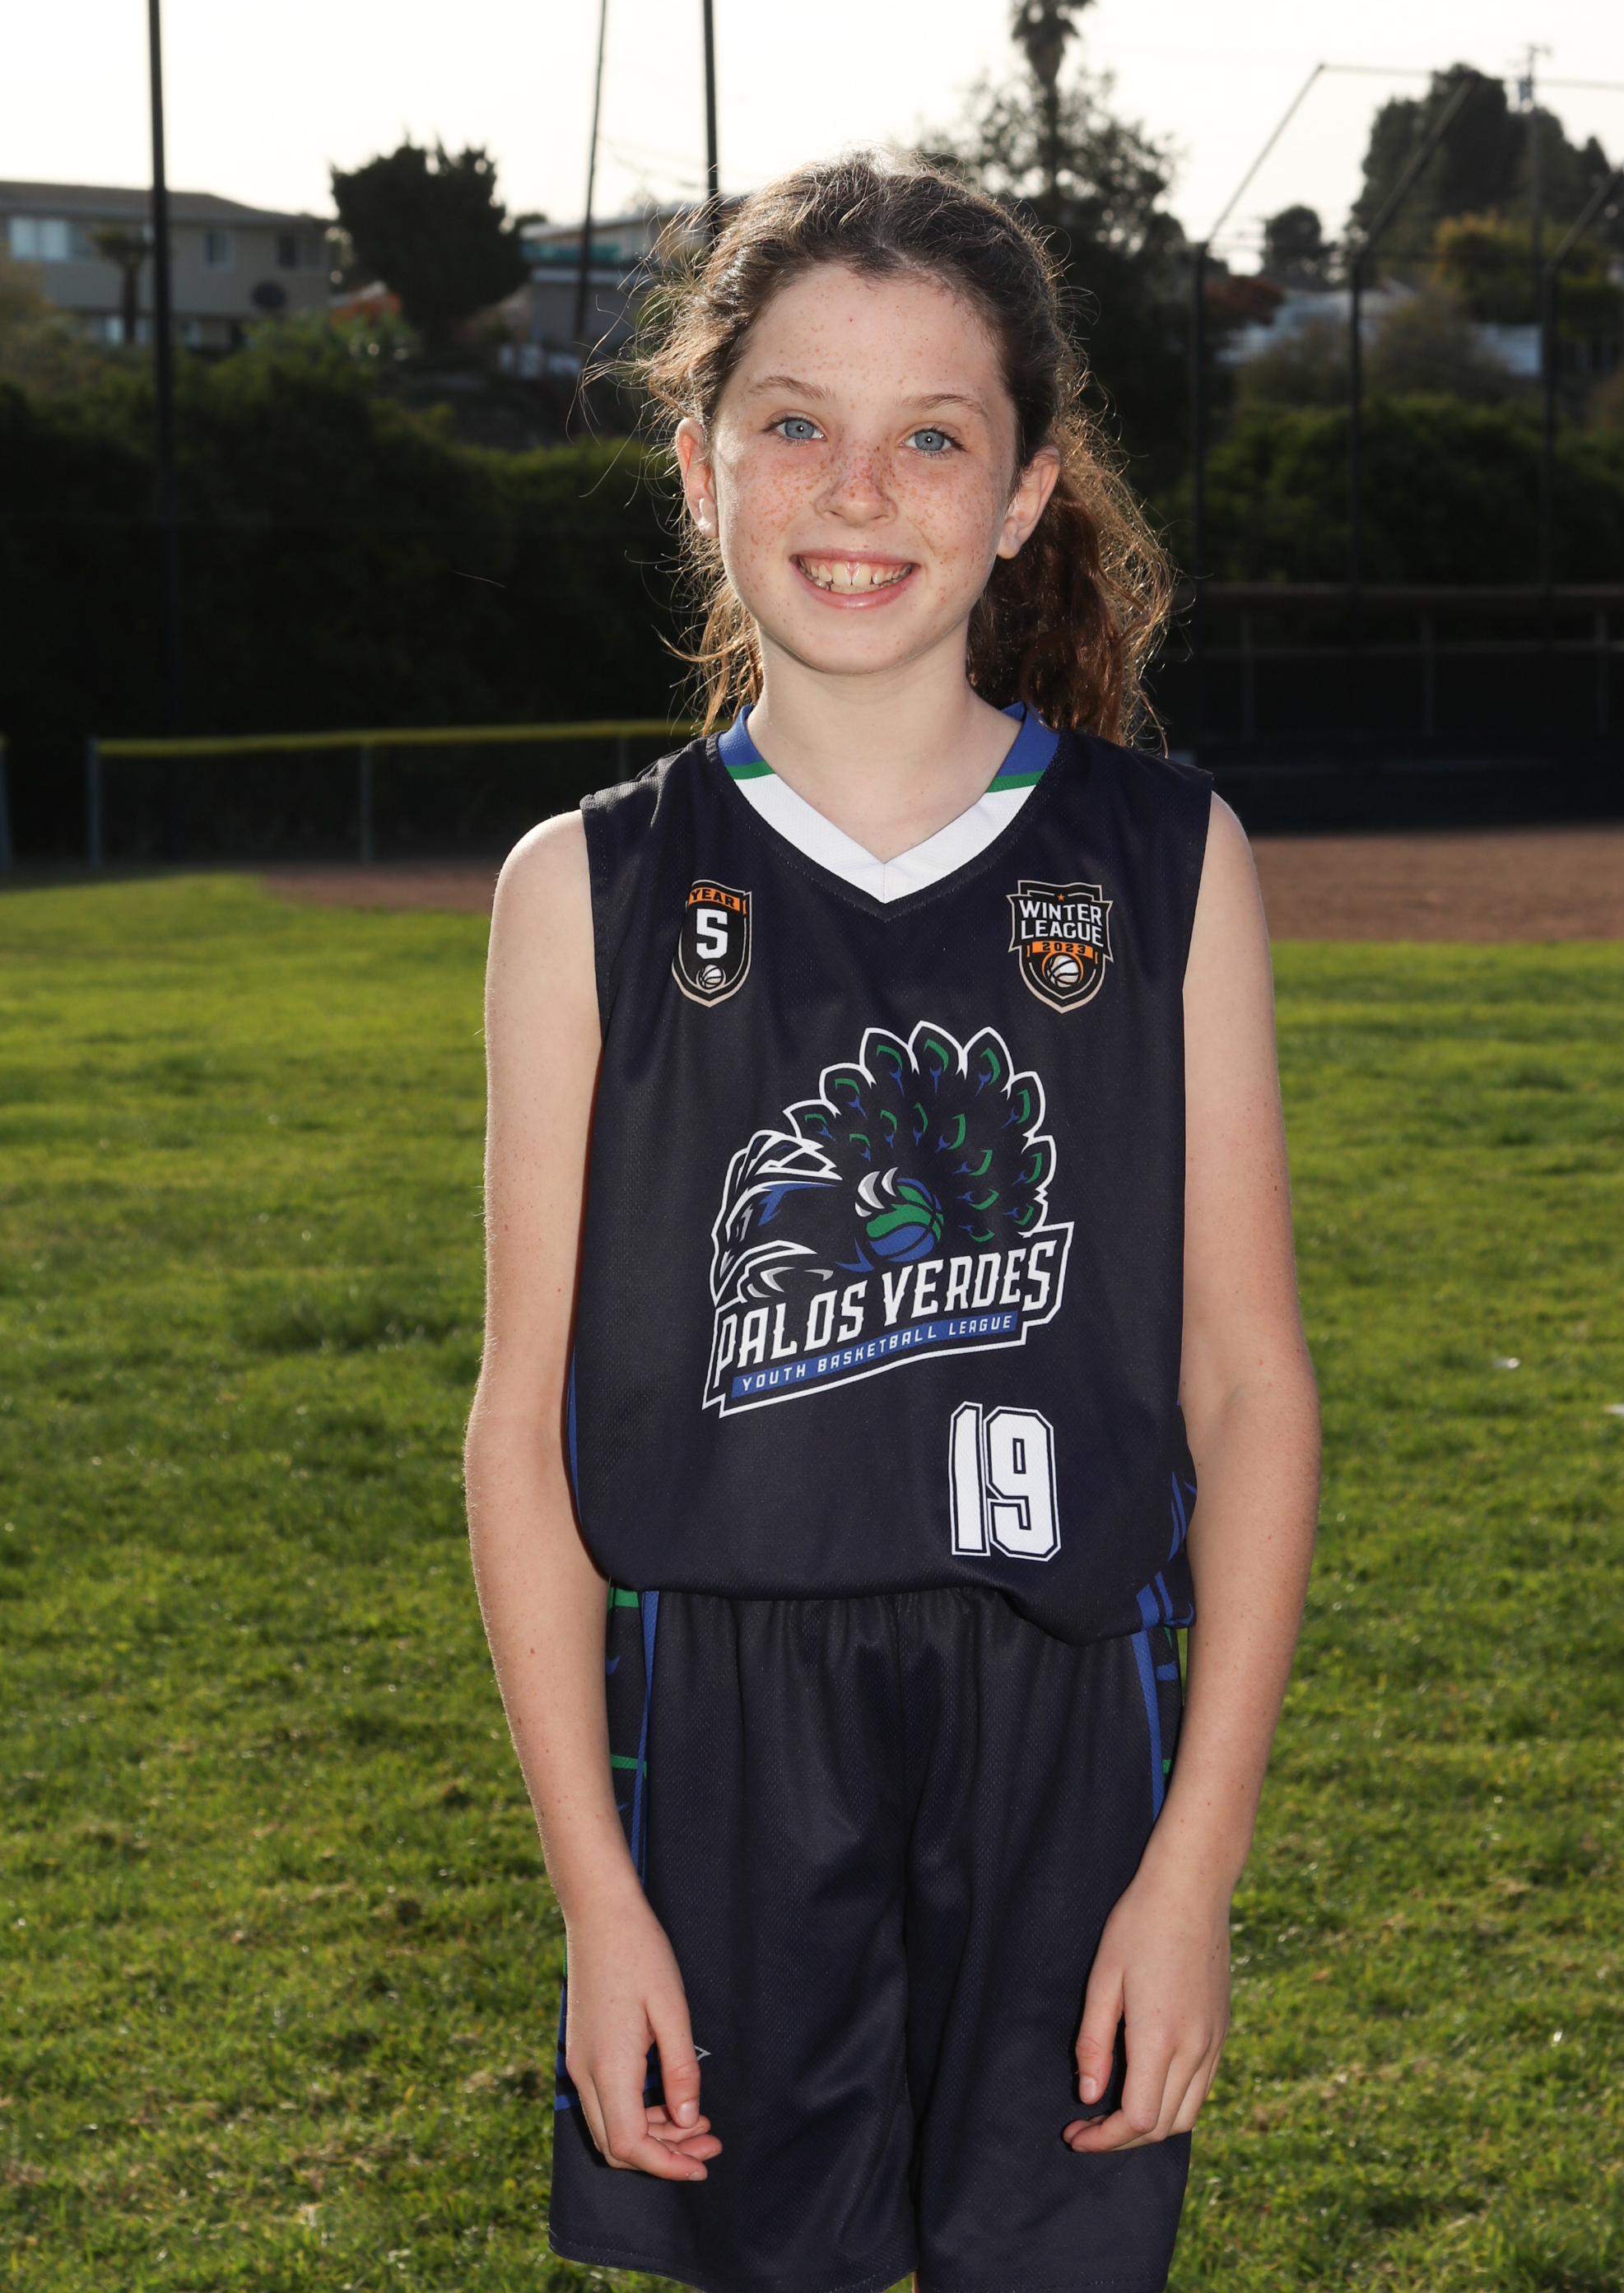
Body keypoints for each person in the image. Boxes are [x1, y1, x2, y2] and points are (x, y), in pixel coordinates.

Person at [466, 153, 1319, 2293]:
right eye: (795, 423)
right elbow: (522, 1427)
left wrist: (1194, 1870)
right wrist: (597, 1900)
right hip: (727, 1729)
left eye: (932, 436)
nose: (859, 491)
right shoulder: (586, 892)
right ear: (700, 468)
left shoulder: (1163, 861)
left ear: (1025, 493)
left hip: (1068, 1717)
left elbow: (1248, 1387)